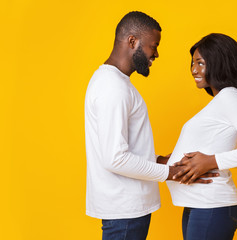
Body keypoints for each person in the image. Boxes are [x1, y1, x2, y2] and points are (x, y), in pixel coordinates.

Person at [84, 11, 216, 240]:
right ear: (132, 41)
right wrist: (170, 172)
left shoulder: (115, 83)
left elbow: (123, 149)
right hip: (124, 212)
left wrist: (160, 160)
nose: (156, 54)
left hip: (126, 211)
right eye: (153, 46)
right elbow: (114, 157)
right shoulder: (112, 87)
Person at [166, 33, 237, 240]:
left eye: (200, 63)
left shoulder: (229, 97)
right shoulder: (222, 100)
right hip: (200, 205)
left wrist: (211, 161)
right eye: (192, 63)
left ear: (219, 62)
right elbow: (233, 152)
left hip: (211, 206)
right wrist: (171, 160)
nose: (193, 70)